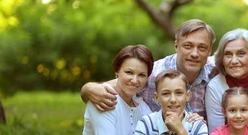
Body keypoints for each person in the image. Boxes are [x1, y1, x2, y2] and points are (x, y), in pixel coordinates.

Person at [81, 19, 216, 118]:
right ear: (176, 46)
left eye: (202, 47)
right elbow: (121, 83)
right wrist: (87, 89)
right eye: (188, 46)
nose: (194, 53)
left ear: (210, 50)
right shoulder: (154, 73)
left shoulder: (216, 73)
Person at [74, 45, 153, 135]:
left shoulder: (141, 105)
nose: (135, 80)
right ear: (117, 70)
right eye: (129, 72)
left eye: (141, 75)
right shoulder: (104, 98)